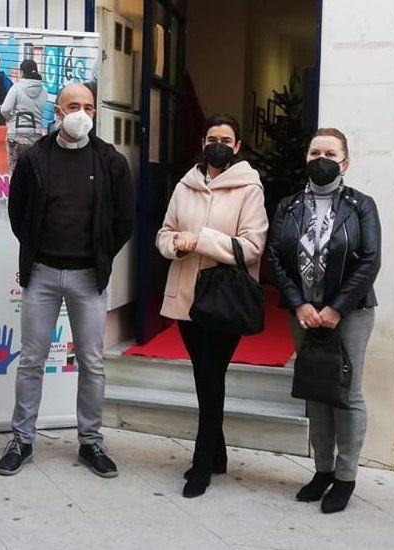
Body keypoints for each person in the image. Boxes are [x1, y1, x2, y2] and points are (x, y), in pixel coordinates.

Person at [0, 83, 135, 479]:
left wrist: (101, 255)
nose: (81, 113)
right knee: (32, 360)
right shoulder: (35, 157)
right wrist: (38, 249)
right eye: (73, 106)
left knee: (92, 362)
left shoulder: (110, 160)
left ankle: (91, 441)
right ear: (57, 111)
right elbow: (19, 212)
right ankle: (21, 439)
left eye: (89, 106)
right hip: (41, 273)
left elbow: (123, 218)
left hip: (89, 278)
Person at [155, 114, 268, 499]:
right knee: (204, 377)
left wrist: (200, 239)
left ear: (237, 147)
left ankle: (202, 464)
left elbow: (252, 247)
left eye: (226, 139)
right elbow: (164, 233)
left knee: (210, 377)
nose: (218, 144)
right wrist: (175, 244)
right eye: (211, 138)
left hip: (224, 299)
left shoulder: (249, 188)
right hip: (187, 298)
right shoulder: (185, 185)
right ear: (203, 142)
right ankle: (216, 453)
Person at [268, 128, 381, 514]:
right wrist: (299, 304)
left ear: (344, 161)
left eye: (330, 152)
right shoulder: (288, 206)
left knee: (347, 394)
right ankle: (322, 470)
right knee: (316, 390)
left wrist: (337, 308)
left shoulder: (362, 205)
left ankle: (346, 477)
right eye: (315, 151)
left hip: (349, 313)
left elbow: (370, 260)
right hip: (305, 313)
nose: (322, 158)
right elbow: (275, 259)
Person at [0, 59, 47, 171]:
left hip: (16, 133)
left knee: (15, 167)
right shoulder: (44, 90)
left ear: (22, 72)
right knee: (33, 168)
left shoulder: (16, 88)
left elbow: (5, 109)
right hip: (36, 133)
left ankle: (17, 188)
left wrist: (10, 118)